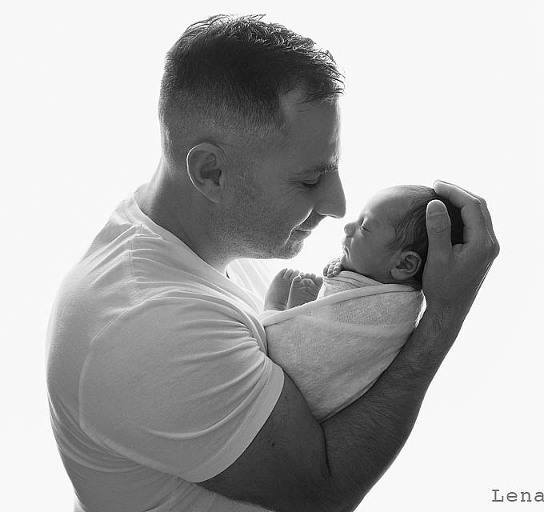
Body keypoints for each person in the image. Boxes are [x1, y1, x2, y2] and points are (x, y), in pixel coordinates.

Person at [46, 14, 498, 512]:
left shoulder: (217, 244)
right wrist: (443, 317)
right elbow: (322, 493)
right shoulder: (144, 324)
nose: (337, 205)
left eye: (333, 169)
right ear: (210, 172)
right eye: (309, 180)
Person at [260, 185, 463, 421]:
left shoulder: (391, 310)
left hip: (298, 393)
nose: (348, 227)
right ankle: (300, 314)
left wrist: (279, 306)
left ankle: (279, 313)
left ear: (405, 265)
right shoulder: (373, 279)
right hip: (306, 400)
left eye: (364, 227)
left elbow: (313, 359)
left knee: (279, 333)